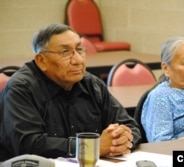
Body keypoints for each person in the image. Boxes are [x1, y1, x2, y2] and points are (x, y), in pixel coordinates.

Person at [0, 23, 141, 161]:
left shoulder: (92, 84)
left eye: (80, 50)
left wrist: (123, 140)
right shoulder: (21, 89)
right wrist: (90, 147)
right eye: (65, 52)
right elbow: (28, 145)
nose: (78, 60)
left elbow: (130, 126)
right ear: (42, 60)